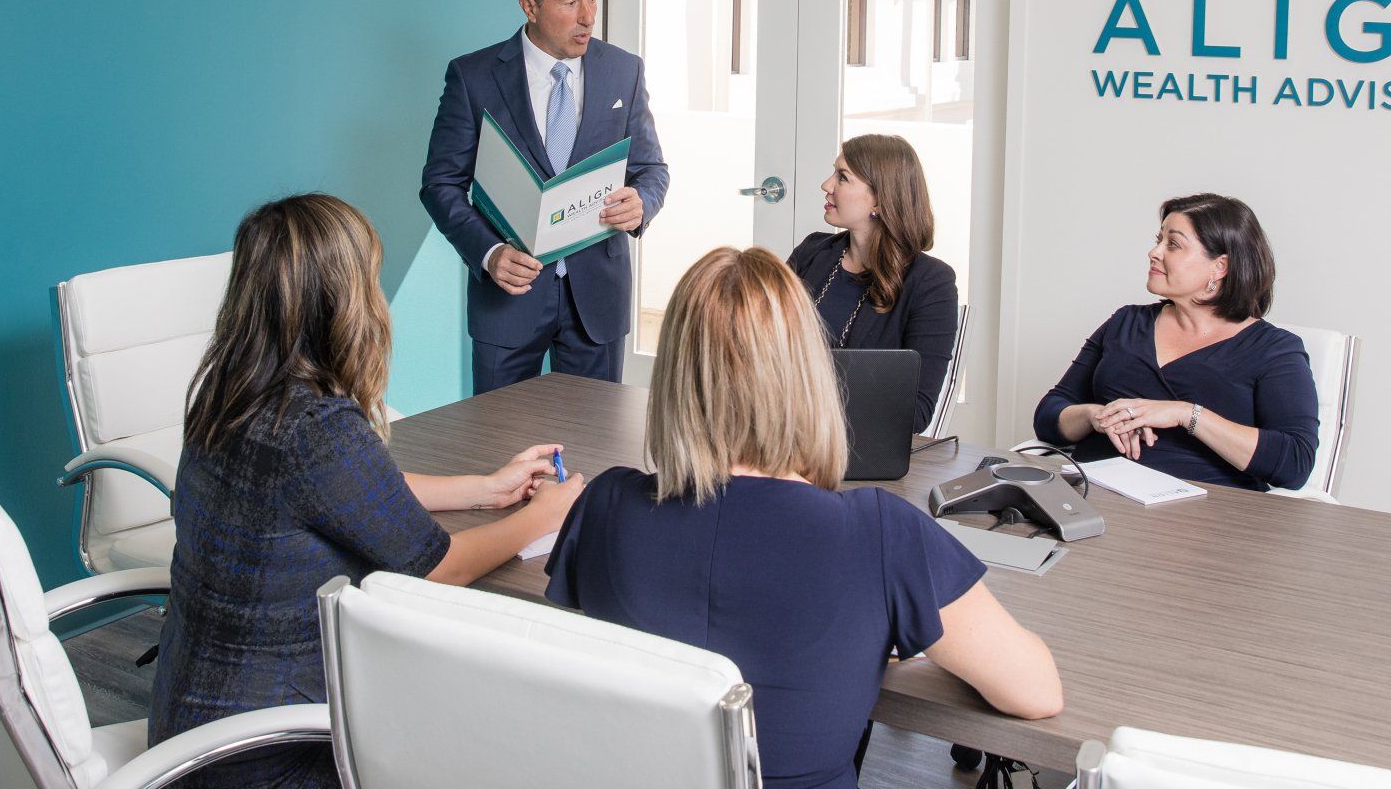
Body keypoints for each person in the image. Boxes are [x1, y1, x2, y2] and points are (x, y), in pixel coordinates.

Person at [544, 246, 1060, 789]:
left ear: (675, 372)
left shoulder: (603, 504)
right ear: (808, 374)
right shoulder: (880, 531)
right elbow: (1037, 692)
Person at [148, 194, 585, 789]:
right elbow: (439, 567)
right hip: (268, 753)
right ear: (340, 302)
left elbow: (345, 494)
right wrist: (543, 516)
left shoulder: (231, 393)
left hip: (187, 726)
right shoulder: (317, 429)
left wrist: (485, 489)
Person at [420, 0, 669, 393]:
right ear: (529, 7)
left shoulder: (624, 70)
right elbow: (440, 184)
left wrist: (642, 203)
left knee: (595, 449)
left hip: (598, 297)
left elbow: (651, 169)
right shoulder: (472, 77)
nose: (588, 17)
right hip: (507, 295)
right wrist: (489, 254)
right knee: (498, 442)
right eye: (570, 2)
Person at [1032, 193, 1318, 492]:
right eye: (1159, 240)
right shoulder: (1125, 323)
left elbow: (1294, 464)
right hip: (1095, 495)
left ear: (1219, 267)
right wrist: (1094, 416)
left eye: (1173, 244)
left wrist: (1186, 414)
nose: (1154, 253)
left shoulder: (1274, 349)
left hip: (1204, 517)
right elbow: (1049, 415)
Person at [786, 135, 959, 433]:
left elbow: (916, 412)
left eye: (842, 177)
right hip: (782, 436)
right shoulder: (812, 252)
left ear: (880, 198)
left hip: (852, 446)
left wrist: (798, 398)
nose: (826, 185)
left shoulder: (931, 283)